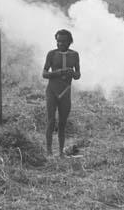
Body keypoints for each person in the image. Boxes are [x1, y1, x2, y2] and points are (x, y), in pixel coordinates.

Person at [42, 29, 80, 157]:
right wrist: (58, 73)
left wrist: (73, 73)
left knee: (62, 123)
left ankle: (61, 153)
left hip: (65, 93)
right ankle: (48, 152)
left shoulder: (74, 55)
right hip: (52, 91)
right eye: (58, 41)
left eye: (64, 42)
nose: (60, 44)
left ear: (70, 42)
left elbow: (78, 75)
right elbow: (44, 73)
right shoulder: (51, 54)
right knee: (51, 121)